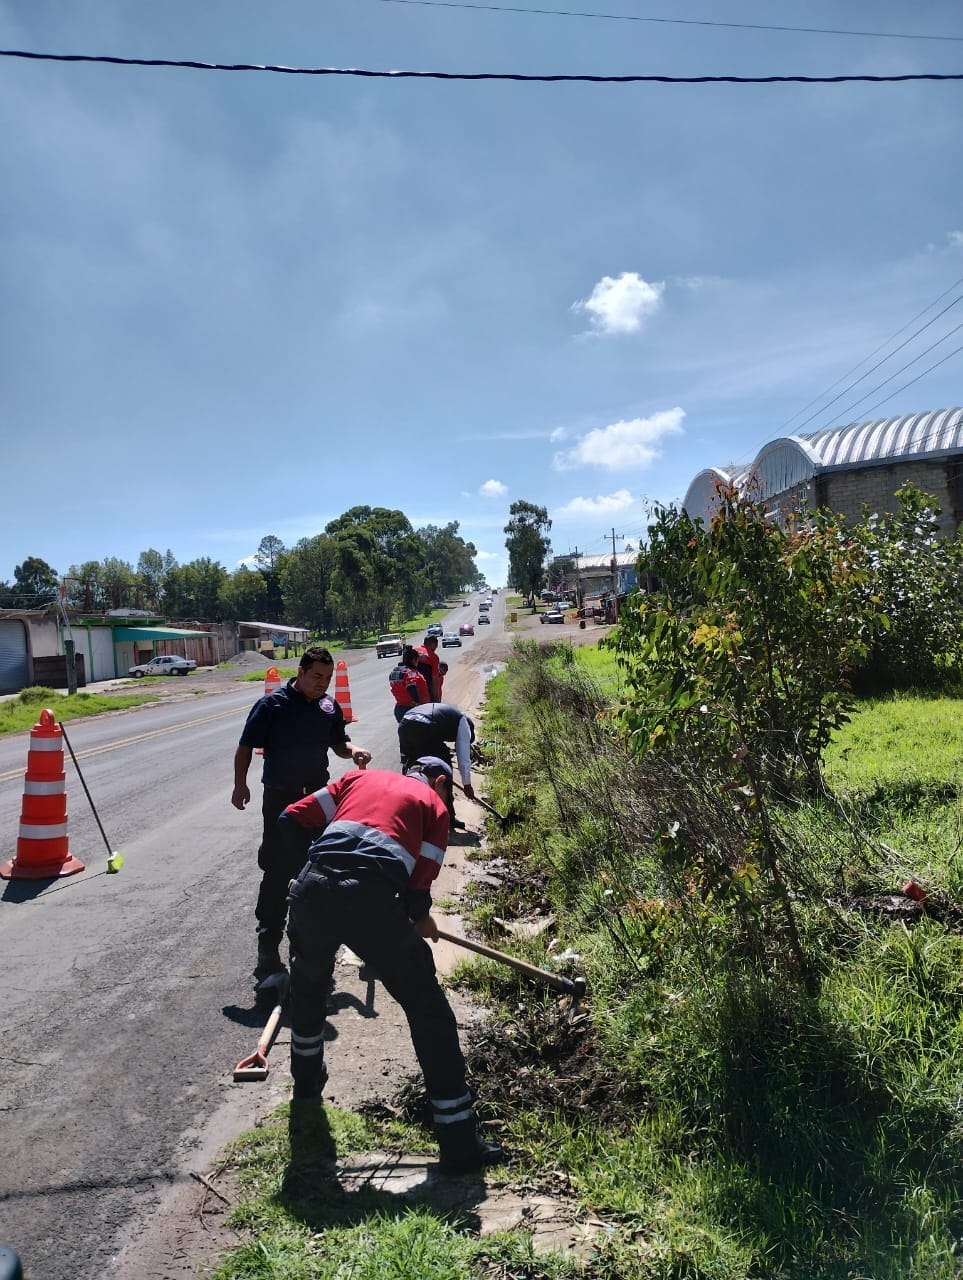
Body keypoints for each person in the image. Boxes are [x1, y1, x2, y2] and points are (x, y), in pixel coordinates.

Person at [280, 761, 503, 1175]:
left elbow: (291, 817)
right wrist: (418, 917)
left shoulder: (358, 778)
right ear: (439, 781)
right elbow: (418, 895)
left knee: (309, 988)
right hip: (371, 899)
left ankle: (306, 1083)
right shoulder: (433, 806)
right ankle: (458, 1142)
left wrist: (301, 874)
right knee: (428, 1010)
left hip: (312, 889)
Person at [232, 646, 372, 984]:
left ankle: (311, 942)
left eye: (327, 678)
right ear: (301, 671)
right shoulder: (273, 705)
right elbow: (245, 746)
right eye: (316, 677)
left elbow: (339, 743)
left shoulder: (328, 707)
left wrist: (354, 751)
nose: (322, 684)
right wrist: (240, 785)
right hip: (281, 799)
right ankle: (268, 945)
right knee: (279, 869)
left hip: (318, 800)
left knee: (321, 867)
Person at [398, 702, 476, 828]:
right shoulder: (463, 723)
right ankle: (448, 818)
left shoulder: (450, 717)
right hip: (425, 726)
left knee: (412, 766)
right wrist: (467, 784)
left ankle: (408, 812)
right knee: (443, 768)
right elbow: (463, 757)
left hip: (405, 723)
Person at [388, 645, 430, 724]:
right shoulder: (410, 672)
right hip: (413, 710)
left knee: (407, 735)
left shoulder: (395, 672)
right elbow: (411, 686)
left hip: (400, 708)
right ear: (414, 660)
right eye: (417, 660)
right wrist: (416, 702)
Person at [415, 634, 442, 701]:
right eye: (436, 646)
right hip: (424, 688)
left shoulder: (414, 650)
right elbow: (434, 679)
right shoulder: (433, 656)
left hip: (410, 687)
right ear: (433, 644)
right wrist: (437, 698)